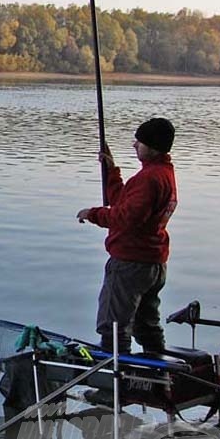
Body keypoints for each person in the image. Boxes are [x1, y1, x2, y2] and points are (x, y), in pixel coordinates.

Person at [76, 117, 177, 354]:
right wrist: (111, 170)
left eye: (139, 142)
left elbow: (127, 218)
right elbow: (125, 201)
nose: (134, 145)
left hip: (131, 264)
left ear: (152, 147)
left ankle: (116, 385)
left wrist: (93, 214)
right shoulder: (162, 173)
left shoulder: (150, 178)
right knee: (146, 325)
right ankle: (158, 379)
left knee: (113, 327)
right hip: (153, 264)